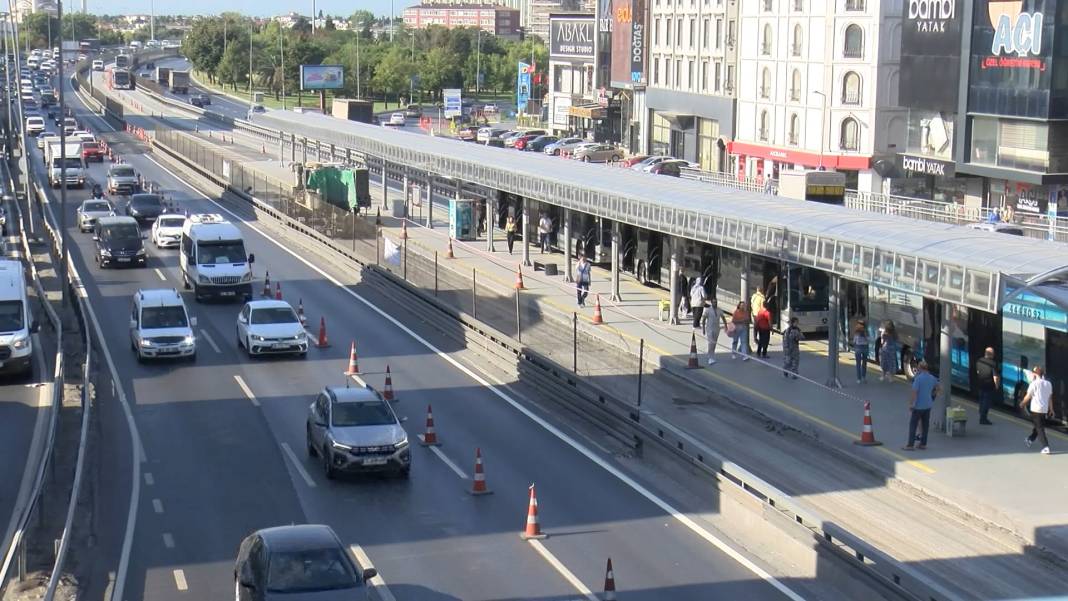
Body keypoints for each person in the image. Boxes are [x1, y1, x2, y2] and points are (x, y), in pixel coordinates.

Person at [904, 360, 940, 451]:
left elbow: (914, 392)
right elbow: (939, 388)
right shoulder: (932, 378)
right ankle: (923, 444)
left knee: (913, 424)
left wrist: (911, 404)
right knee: (925, 425)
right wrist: (932, 395)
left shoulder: (918, 379)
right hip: (928, 405)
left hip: (918, 406)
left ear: (920, 368)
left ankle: (910, 445)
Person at [1020, 365, 1053, 455]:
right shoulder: (1048, 384)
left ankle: (1046, 447)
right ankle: (1030, 439)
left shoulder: (1033, 384)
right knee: (1038, 426)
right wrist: (1051, 409)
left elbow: (1028, 396)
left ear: (1034, 374)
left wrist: (1022, 403)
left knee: (1039, 428)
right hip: (1044, 409)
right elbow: (1050, 398)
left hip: (1035, 409)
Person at [975, 347, 1000, 425]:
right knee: (986, 402)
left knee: (981, 400)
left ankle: (981, 414)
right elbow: (995, 376)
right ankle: (983, 418)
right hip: (989, 385)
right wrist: (997, 386)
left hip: (980, 384)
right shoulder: (993, 364)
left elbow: (978, 372)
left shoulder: (979, 361)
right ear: (991, 355)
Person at [705, 296, 722, 365]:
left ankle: (712, 354)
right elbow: (704, 319)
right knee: (711, 342)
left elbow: (723, 317)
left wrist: (726, 326)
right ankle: (710, 357)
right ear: (711, 303)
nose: (715, 303)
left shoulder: (719, 310)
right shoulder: (708, 310)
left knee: (714, 343)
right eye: (714, 302)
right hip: (709, 328)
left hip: (717, 328)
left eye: (716, 302)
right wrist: (703, 328)